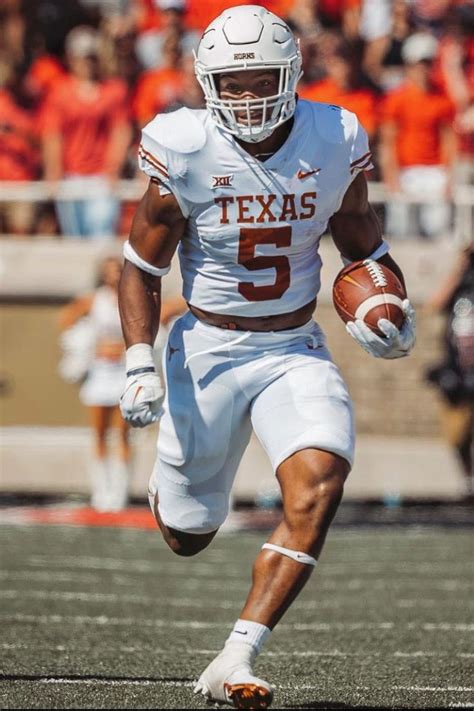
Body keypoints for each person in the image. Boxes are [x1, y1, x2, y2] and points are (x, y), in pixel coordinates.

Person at [118, 5, 416, 708]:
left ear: (292, 75)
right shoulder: (184, 145)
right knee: (188, 535)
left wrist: (390, 307)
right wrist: (138, 359)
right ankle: (175, 491)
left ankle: (237, 652)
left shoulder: (333, 135)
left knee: (318, 482)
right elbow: (137, 265)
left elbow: (363, 244)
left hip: (293, 346)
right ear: (206, 82)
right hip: (209, 347)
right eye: (233, 82)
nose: (248, 96)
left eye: (260, 81)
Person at [41, 26, 131, 239]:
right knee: (74, 237)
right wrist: (54, 172)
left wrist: (113, 169)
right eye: (83, 58)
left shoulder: (113, 90)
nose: (88, 63)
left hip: (101, 178)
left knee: (101, 234)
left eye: (91, 57)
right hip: (70, 176)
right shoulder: (59, 92)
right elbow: (53, 134)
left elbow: (120, 131)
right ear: (72, 59)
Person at [59, 256, 130, 511]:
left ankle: (119, 494)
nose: (114, 276)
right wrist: (92, 345)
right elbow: (66, 319)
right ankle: (101, 492)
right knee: (99, 432)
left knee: (122, 432)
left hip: (123, 370)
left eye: (118, 271)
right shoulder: (93, 299)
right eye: (109, 271)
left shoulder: (131, 297)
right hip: (101, 371)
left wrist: (123, 348)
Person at [379, 31, 456, 239]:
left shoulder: (442, 98)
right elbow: (388, 141)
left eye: (428, 63)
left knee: (438, 231)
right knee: (402, 232)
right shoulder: (396, 99)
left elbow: (448, 139)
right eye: (419, 63)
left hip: (435, 172)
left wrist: (449, 176)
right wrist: (391, 177)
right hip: (405, 172)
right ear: (409, 65)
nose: (424, 69)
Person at [425, 246, 474, 500]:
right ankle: (468, 480)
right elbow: (436, 304)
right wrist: (460, 266)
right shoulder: (461, 285)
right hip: (458, 372)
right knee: (457, 435)